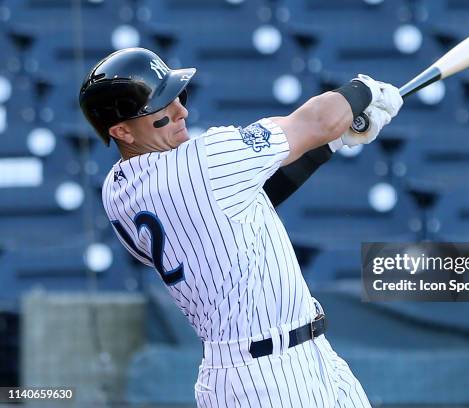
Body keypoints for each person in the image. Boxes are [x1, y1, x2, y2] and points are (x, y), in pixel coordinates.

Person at [79, 47, 402, 408]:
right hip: (268, 379)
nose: (180, 111)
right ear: (121, 130)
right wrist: (363, 90)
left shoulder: (116, 190)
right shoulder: (201, 162)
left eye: (177, 96)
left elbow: (250, 200)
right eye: (161, 109)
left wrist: (334, 141)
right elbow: (317, 120)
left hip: (286, 362)